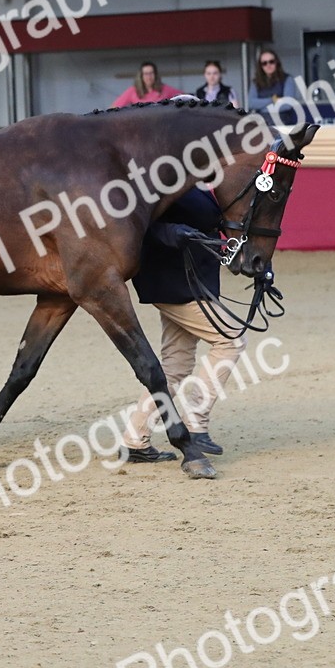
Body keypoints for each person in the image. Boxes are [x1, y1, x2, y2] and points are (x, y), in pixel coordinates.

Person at [121, 186, 247, 462]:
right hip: (174, 282)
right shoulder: (161, 180)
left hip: (189, 280)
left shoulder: (195, 181)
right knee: (231, 340)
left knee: (175, 364)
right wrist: (173, 233)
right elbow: (139, 222)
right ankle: (195, 423)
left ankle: (135, 439)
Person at [112, 61, 184, 107]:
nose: (149, 77)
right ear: (141, 76)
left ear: (156, 75)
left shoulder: (165, 89)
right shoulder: (133, 91)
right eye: (146, 74)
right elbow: (114, 108)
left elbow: (185, 97)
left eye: (151, 73)